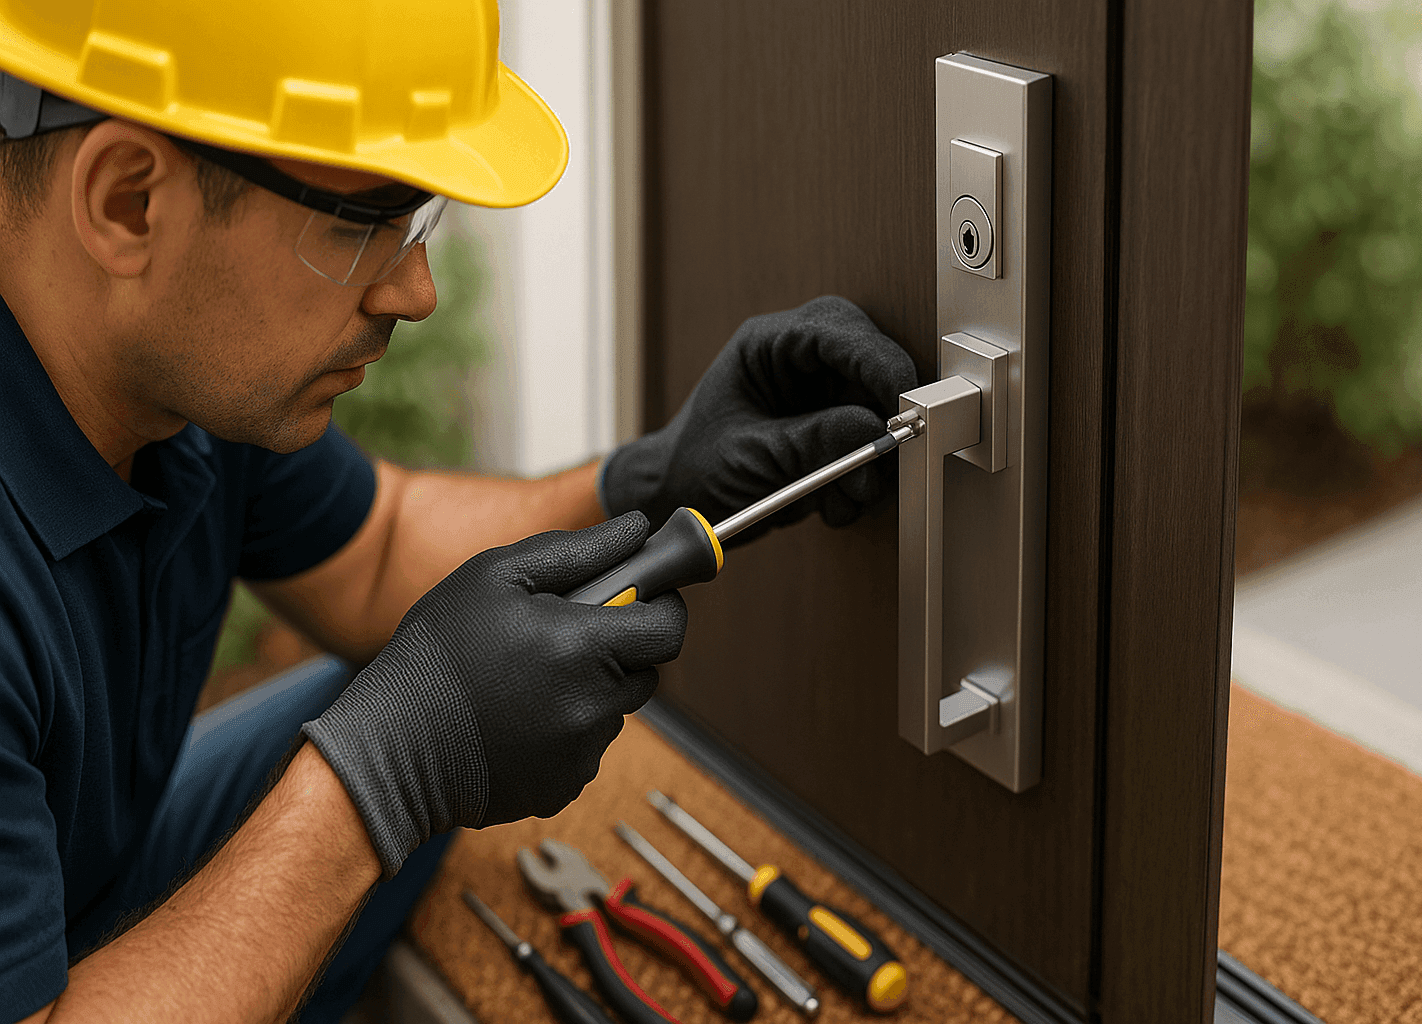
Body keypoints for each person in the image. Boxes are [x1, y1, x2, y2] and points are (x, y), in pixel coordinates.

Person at [0, 3, 917, 1023]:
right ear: (129, 202)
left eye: (420, 219)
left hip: (60, 908)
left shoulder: (177, 383)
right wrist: (381, 778)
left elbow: (378, 547)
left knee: (410, 679)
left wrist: (654, 483)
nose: (415, 288)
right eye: (363, 224)